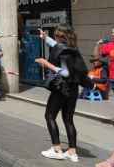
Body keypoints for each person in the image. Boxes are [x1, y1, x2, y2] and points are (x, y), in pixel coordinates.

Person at [36, 24, 93, 163]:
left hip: (62, 88)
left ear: (61, 36)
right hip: (73, 90)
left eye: (55, 35)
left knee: (49, 116)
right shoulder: (73, 49)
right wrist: (46, 38)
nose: (54, 37)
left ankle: (56, 149)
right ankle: (72, 152)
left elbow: (65, 72)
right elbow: (58, 46)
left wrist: (46, 63)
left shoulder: (61, 49)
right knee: (68, 119)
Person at [94, 27, 114, 94]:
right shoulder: (109, 45)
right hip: (113, 77)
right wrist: (98, 44)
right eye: (113, 33)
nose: (113, 34)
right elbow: (100, 55)